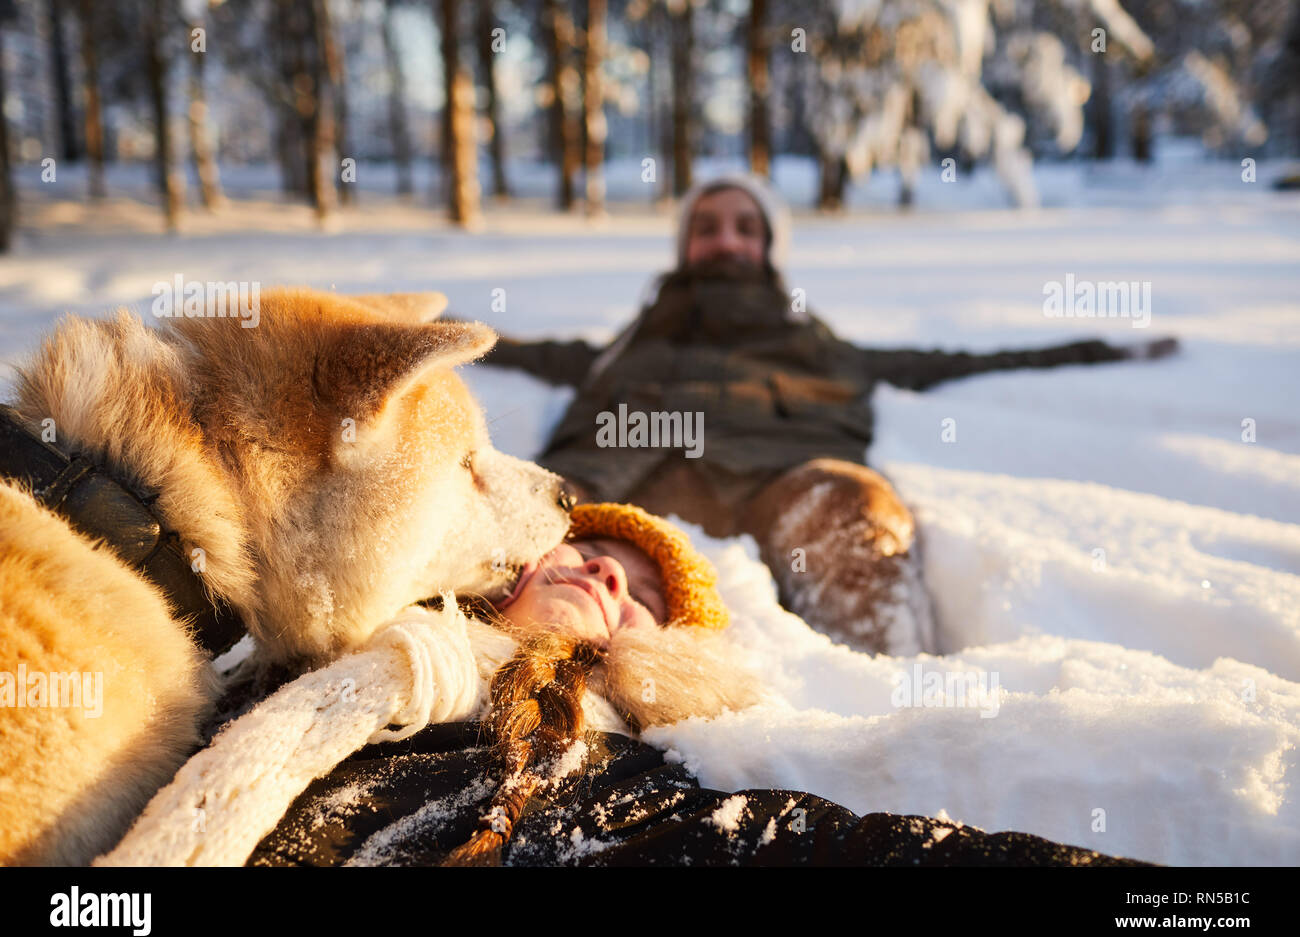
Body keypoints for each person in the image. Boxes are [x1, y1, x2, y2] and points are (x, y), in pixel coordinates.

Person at [479, 173, 1178, 656]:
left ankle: (886, 729)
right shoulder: (634, 341)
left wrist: (1096, 346)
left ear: (769, 247)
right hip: (639, 495)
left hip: (777, 483)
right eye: (708, 226)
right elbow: (515, 350)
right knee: (543, 561)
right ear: (685, 244)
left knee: (848, 507)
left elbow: (945, 362)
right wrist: (407, 330)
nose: (726, 240)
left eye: (745, 227)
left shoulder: (816, 345)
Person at [244, 503, 1148, 867]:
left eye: (638, 600)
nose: (606, 580)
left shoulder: (596, 778)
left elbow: (817, 852)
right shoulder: (303, 626)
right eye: (595, 555)